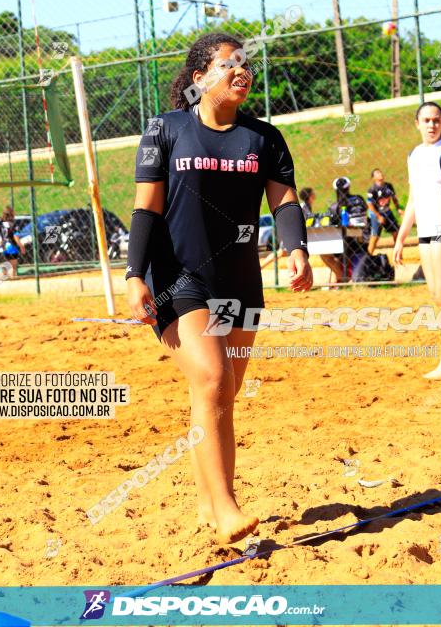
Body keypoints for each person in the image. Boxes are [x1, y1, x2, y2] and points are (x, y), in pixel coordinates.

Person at [125, 32, 313, 545]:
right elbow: (147, 208)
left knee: (220, 393)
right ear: (198, 78)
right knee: (212, 379)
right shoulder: (166, 130)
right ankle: (227, 504)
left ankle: (211, 502)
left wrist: (297, 248)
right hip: (177, 277)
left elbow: (285, 204)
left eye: (244, 64)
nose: (240, 71)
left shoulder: (264, 138)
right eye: (228, 64)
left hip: (239, 280)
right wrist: (134, 274)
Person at [393, 102, 441, 379]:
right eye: (426, 120)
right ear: (417, 123)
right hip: (424, 232)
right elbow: (413, 201)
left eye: (436, 120)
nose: (431, 125)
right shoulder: (414, 155)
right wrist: (401, 238)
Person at [325, 177, 368, 280]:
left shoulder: (335, 206)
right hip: (362, 239)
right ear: (348, 187)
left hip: (346, 241)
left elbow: (331, 222)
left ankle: (341, 277)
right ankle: (342, 277)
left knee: (325, 254)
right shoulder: (359, 198)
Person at [366, 168, 403, 255]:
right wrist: (378, 216)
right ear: (373, 178)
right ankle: (368, 256)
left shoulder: (389, 186)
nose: (380, 174)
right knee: (375, 236)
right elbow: (370, 204)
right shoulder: (372, 189)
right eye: (377, 173)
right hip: (376, 214)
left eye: (380, 172)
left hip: (387, 212)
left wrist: (398, 209)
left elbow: (394, 198)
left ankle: (397, 254)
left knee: (396, 233)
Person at [0, 206, 25, 277]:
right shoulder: (13, 223)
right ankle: (13, 277)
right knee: (13, 267)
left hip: (3, 245)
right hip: (11, 245)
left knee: (5, 266)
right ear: (11, 213)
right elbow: (15, 236)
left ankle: (4, 277)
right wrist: (21, 246)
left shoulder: (1, 223)